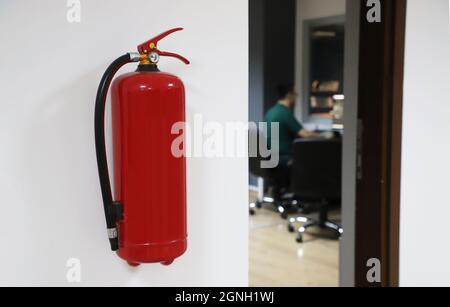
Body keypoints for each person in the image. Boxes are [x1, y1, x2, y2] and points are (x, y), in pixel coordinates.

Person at [265, 84, 321, 166]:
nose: (297, 96)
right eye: (295, 94)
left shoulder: (270, 112)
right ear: (289, 95)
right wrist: (323, 136)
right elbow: (305, 134)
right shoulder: (284, 113)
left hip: (272, 156)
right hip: (284, 158)